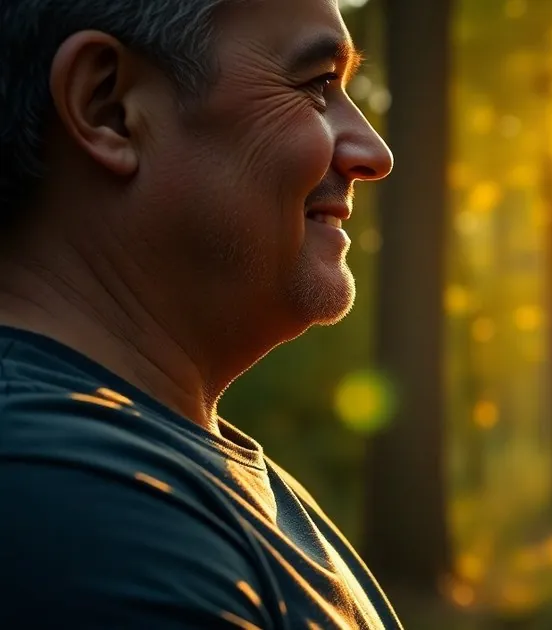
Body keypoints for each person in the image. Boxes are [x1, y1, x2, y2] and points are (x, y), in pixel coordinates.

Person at [0, 0, 402, 627]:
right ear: (109, 108)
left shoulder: (179, 474)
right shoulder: (68, 503)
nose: (375, 154)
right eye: (317, 85)